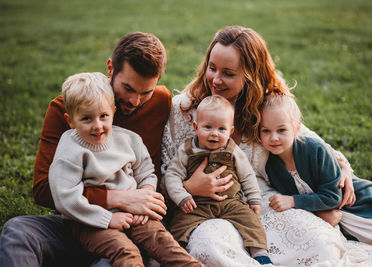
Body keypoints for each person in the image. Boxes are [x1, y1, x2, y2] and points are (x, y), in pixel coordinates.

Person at [161, 25, 372, 266]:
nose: (216, 79)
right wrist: (190, 186)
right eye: (212, 68)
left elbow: (307, 140)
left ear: (250, 77)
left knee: (320, 244)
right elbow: (161, 174)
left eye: (229, 73)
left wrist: (343, 168)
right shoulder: (184, 110)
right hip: (203, 211)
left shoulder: (262, 108)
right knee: (210, 249)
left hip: (261, 203)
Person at [0, 32, 172, 267]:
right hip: (79, 221)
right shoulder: (65, 108)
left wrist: (145, 197)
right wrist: (118, 198)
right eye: (128, 88)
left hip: (130, 229)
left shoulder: (161, 102)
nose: (135, 101)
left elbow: (154, 170)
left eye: (146, 93)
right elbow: (43, 188)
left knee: (116, 260)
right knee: (18, 230)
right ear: (110, 68)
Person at [48, 72, 202, 267]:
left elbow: (146, 171)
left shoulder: (128, 139)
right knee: (126, 252)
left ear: (112, 112)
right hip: (92, 222)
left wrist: (145, 194)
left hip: (135, 213)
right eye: (86, 119)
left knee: (163, 242)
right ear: (70, 121)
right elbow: (66, 198)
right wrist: (108, 219)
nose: (97, 126)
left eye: (103, 116)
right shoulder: (71, 150)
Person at [260, 93, 372, 252]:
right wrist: (319, 213)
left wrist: (293, 201)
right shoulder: (272, 167)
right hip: (337, 219)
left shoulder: (315, 150)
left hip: (357, 205)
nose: (274, 138)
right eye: (266, 131)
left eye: (281, 130)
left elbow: (333, 197)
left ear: (296, 128)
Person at [164, 95, 271, 265]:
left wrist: (254, 199)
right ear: (195, 127)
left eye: (222, 129)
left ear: (230, 131)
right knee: (179, 226)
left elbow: (247, 175)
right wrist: (181, 196)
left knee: (250, 221)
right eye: (208, 127)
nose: (214, 133)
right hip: (197, 204)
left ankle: (260, 254)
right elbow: (172, 175)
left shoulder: (233, 150)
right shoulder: (186, 150)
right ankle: (177, 257)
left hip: (230, 203)